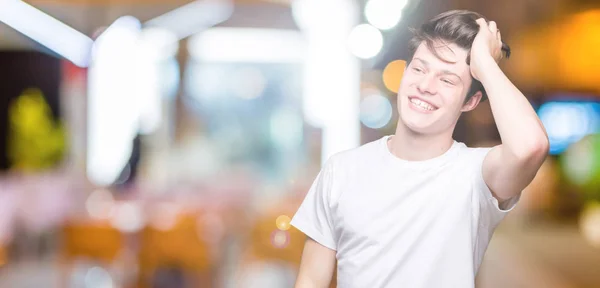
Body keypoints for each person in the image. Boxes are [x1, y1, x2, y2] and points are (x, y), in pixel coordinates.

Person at [290, 10, 549, 288]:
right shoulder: (340, 170)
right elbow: (310, 280)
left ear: (471, 101)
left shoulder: (477, 176)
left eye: (447, 80)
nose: (425, 86)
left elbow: (530, 146)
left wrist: (485, 63)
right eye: (419, 69)